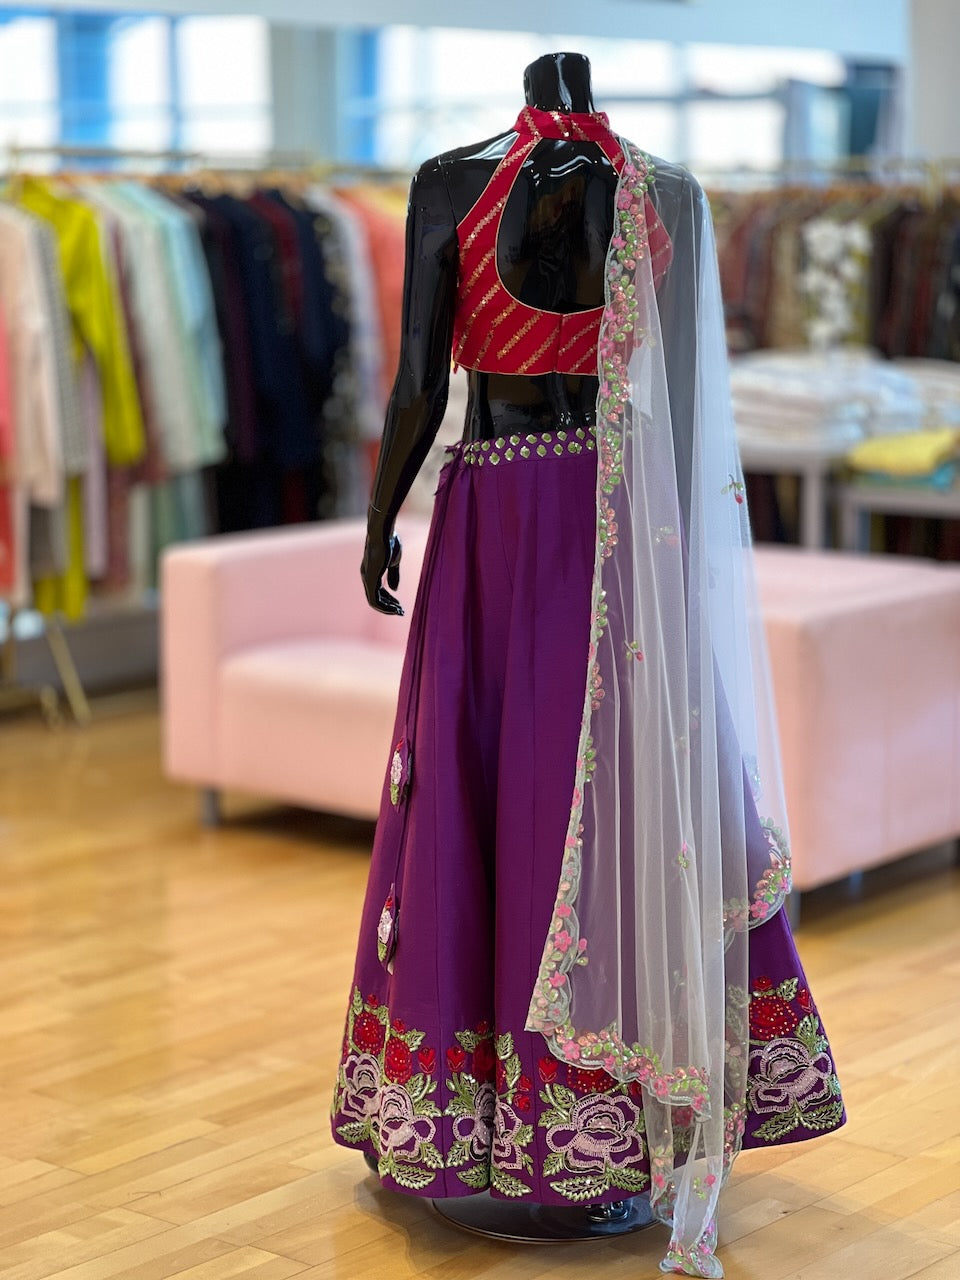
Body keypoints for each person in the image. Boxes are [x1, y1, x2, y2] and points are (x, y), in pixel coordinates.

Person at [331, 51, 844, 1279]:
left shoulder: (453, 182)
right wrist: (677, 571)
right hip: (620, 528)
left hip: (498, 519)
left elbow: (419, 384)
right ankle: (607, 1119)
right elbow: (686, 406)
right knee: (610, 797)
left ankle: (497, 1119)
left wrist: (380, 518)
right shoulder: (667, 193)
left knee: (500, 793)